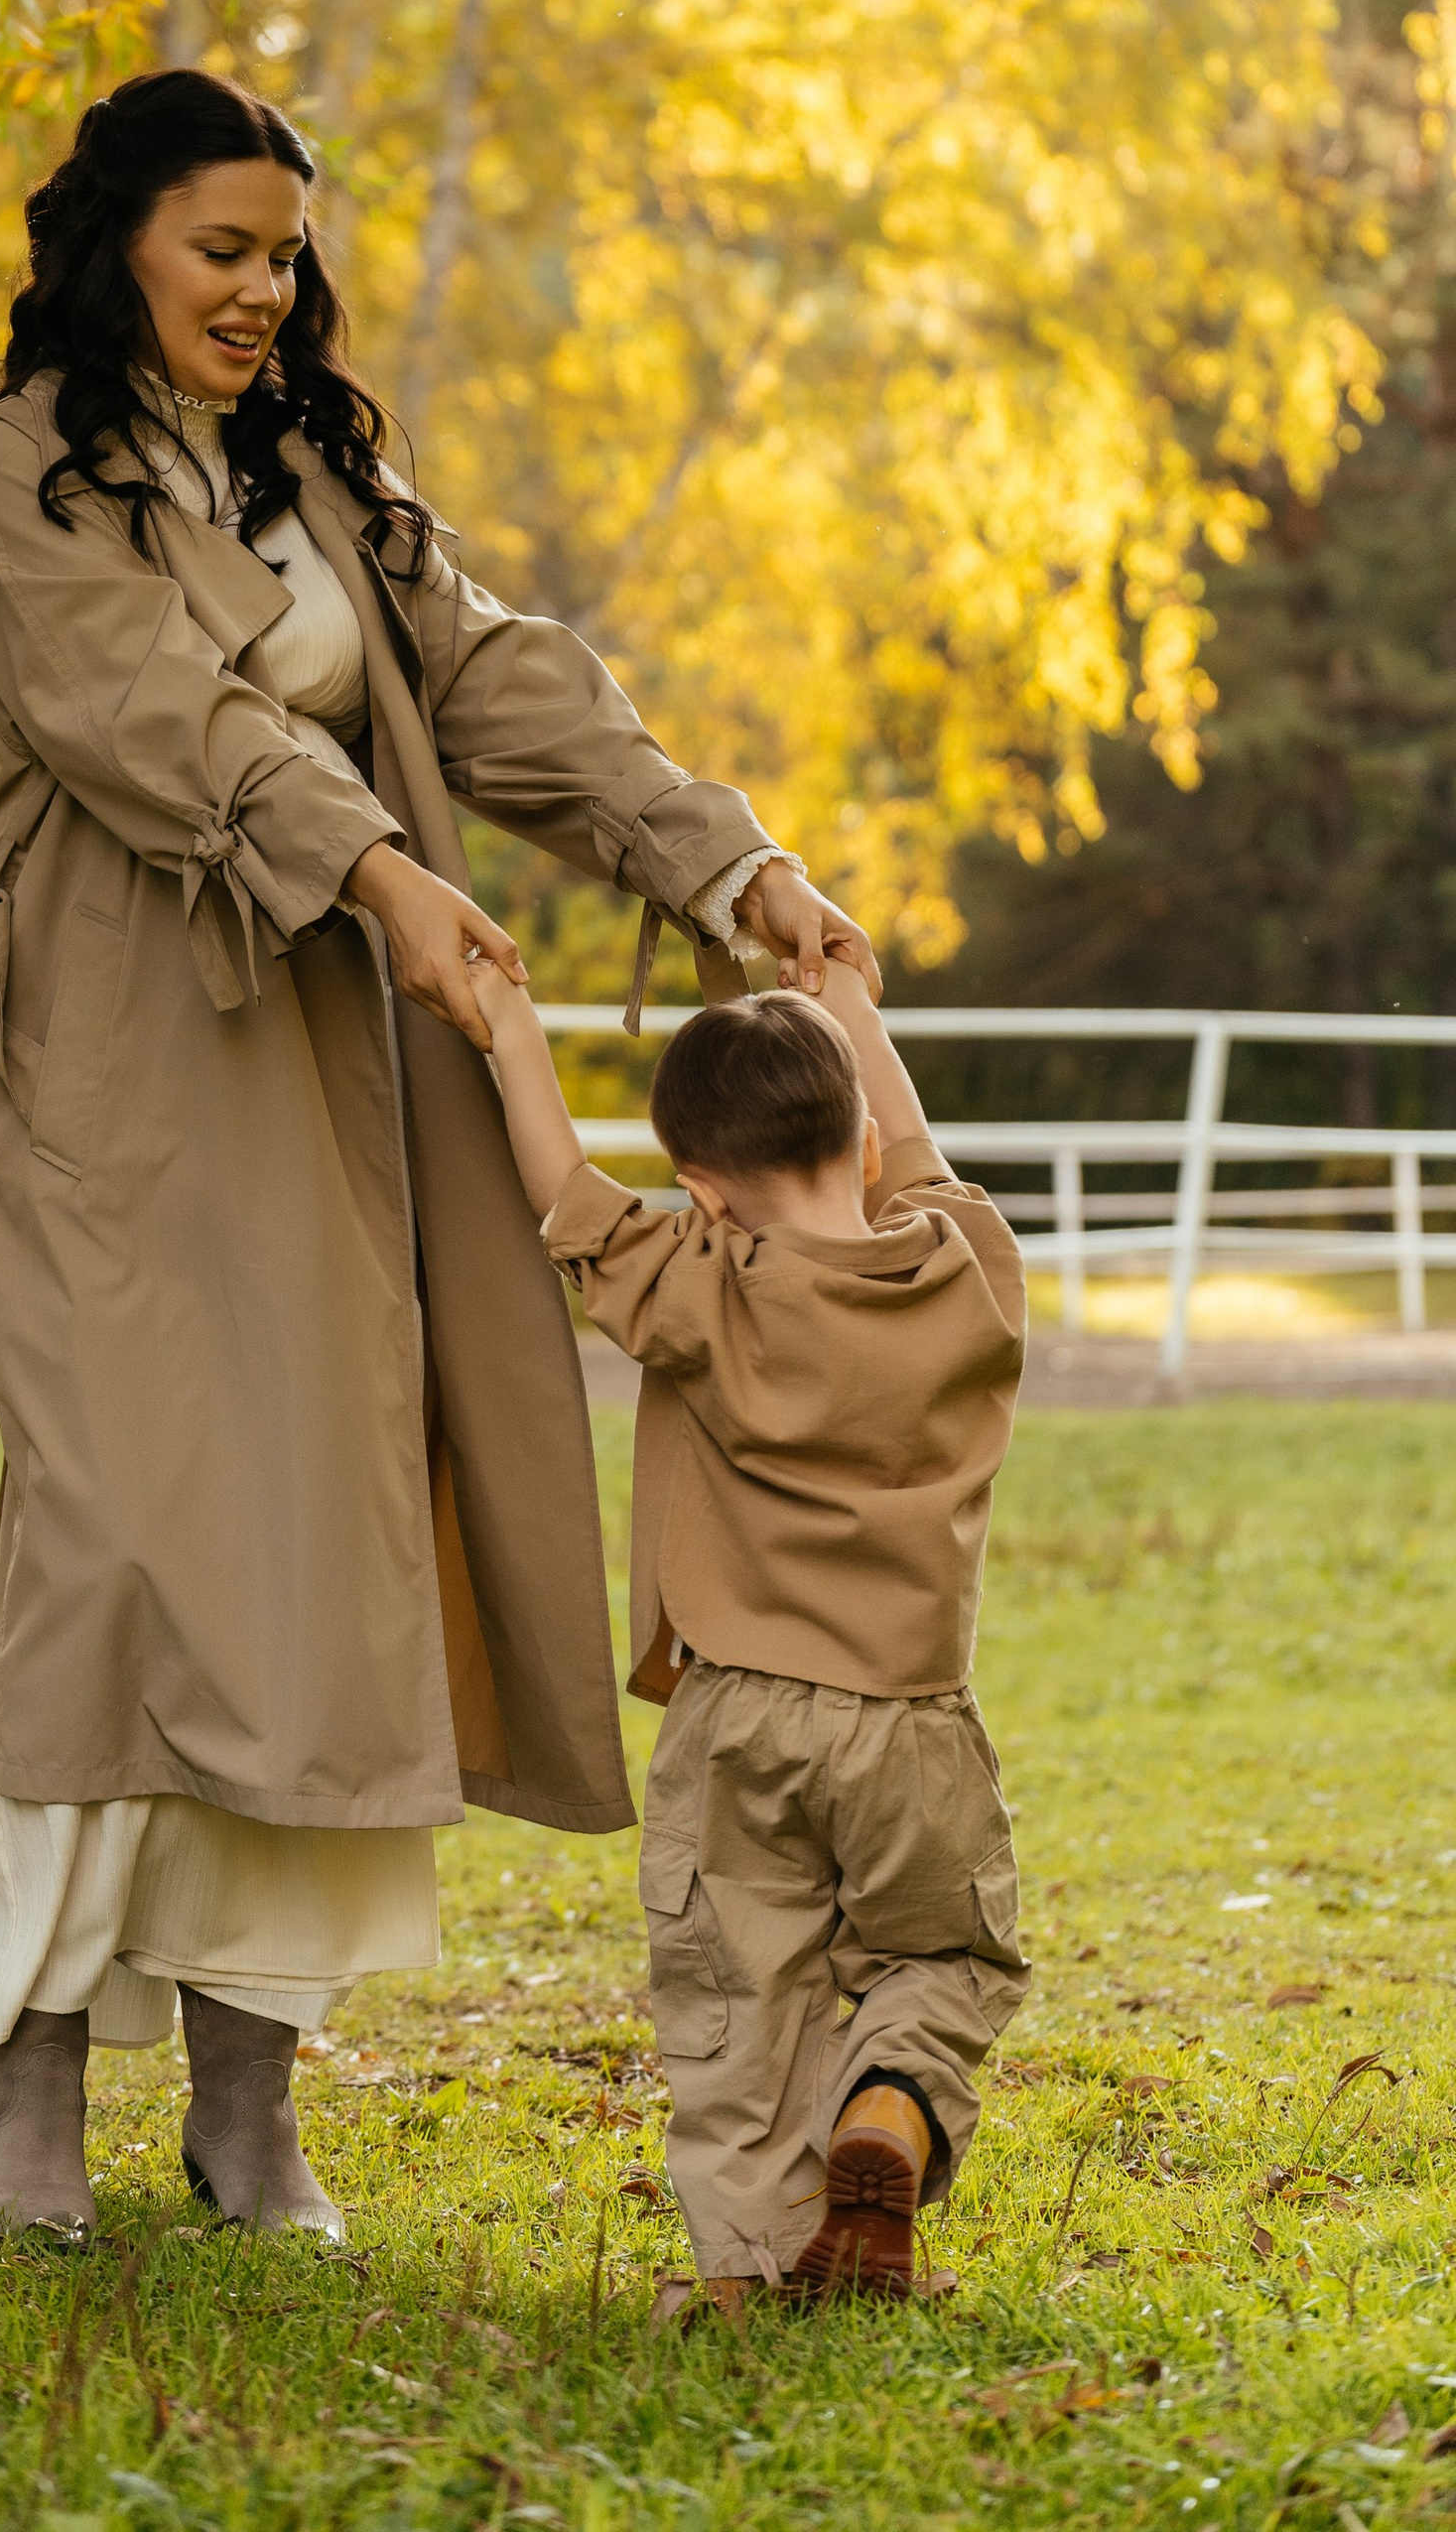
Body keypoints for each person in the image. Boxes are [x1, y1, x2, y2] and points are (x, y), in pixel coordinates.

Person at [0, 67, 878, 2244]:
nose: (260, 293)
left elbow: (503, 687)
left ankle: (248, 2106)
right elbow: (151, 717)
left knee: (328, 1549)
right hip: (116, 1082)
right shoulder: (16, 480)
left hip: (348, 1092)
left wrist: (733, 867)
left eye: (280, 255)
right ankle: (29, 2092)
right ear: (115, 249)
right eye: (215, 252)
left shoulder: (319, 479)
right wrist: (376, 876)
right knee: (113, 1549)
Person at [473, 950, 1030, 2304]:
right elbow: (916, 1154)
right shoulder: (973, 1270)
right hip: (911, 1722)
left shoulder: (706, 1289)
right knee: (942, 1956)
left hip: (737, 1725)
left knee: (738, 2009)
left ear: (704, 1191)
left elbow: (567, 1200)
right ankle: (889, 2106)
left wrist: (506, 1028)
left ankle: (745, 2273)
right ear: (864, 1137)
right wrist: (855, 1016)